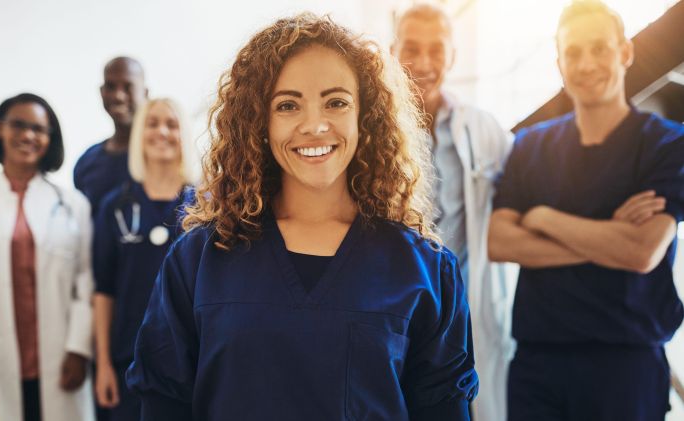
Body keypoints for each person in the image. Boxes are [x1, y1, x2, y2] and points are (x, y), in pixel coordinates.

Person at [126, 13, 478, 421]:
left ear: (364, 118)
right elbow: (163, 403)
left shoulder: (426, 271)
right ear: (260, 121)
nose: (314, 124)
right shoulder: (199, 262)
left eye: (336, 102)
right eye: (288, 105)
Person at [488, 1, 684, 420]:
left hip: (626, 366)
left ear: (625, 53)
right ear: (558, 63)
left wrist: (544, 220)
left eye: (600, 49)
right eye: (573, 53)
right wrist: (609, 235)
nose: (586, 63)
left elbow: (642, 252)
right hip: (538, 367)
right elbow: (499, 240)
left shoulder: (666, 144)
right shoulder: (530, 148)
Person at [391, 5, 514, 421]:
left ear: (452, 56)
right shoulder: (365, 131)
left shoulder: (483, 131)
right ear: (393, 51)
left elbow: (529, 193)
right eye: (411, 48)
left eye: (436, 50)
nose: (424, 63)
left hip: (468, 315)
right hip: (395, 311)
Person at [0, 93, 94, 421]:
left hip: (62, 364)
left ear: (50, 139)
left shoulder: (73, 205)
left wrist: (79, 349)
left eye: (39, 129)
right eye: (18, 125)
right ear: (0, 130)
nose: (28, 135)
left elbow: (85, 283)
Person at [92, 98, 196, 421]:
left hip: (189, 364)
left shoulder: (205, 208)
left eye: (172, 124)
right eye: (152, 123)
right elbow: (103, 291)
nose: (162, 132)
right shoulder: (116, 206)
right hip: (126, 361)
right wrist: (104, 365)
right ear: (139, 134)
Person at [74, 56, 149, 216]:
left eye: (128, 87)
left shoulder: (162, 157)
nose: (118, 96)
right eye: (111, 86)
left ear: (145, 93)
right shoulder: (86, 163)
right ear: (101, 92)